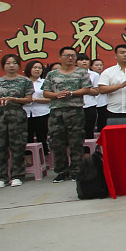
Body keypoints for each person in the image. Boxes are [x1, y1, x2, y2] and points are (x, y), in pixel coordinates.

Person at [42, 47, 95, 183]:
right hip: (56, 111)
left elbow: (87, 89)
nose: (70, 58)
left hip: (75, 110)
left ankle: (76, 170)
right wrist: (56, 95)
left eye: (72, 56)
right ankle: (61, 171)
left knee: (76, 141)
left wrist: (71, 93)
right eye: (67, 55)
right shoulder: (52, 74)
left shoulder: (81, 72)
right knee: (57, 142)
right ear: (60, 57)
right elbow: (46, 92)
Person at [0, 54, 33, 188]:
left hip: (17, 114)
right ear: (3, 66)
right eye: (8, 63)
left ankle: (17, 175)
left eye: (14, 63)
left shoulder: (25, 81)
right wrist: (0, 100)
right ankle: (1, 177)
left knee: (17, 145)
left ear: (19, 65)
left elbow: (28, 99)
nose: (11, 65)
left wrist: (14, 100)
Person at [23, 60, 51, 155]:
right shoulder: (23, 82)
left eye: (39, 68)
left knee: (42, 136)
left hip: (42, 112)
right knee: (27, 137)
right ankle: (29, 159)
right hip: (25, 113)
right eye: (35, 67)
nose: (37, 70)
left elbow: (51, 98)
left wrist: (35, 100)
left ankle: (44, 157)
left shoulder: (45, 82)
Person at [90, 58, 109, 132]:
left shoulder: (105, 76)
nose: (99, 67)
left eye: (101, 65)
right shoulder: (89, 76)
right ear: (91, 67)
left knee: (102, 122)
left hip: (103, 102)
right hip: (91, 103)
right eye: (96, 65)